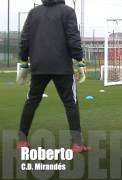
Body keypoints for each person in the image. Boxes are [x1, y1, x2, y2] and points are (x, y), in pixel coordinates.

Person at [16, 0, 89, 153]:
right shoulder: (68, 11)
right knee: (71, 103)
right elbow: (73, 38)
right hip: (62, 67)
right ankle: (77, 144)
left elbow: (25, 39)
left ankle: (22, 141)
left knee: (31, 101)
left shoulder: (33, 13)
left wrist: (23, 62)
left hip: (38, 66)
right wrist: (80, 60)